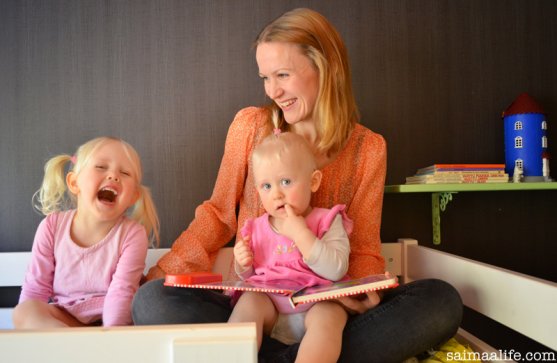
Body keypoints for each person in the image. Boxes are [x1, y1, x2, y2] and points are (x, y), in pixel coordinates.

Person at [132, 8, 462, 363]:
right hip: (259, 307)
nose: (273, 90)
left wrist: (365, 291)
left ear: (325, 67)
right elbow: (218, 215)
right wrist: (159, 275)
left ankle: (269, 354)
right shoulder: (250, 127)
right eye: (265, 78)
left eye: (283, 75)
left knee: (440, 302)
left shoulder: (368, 148)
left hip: (326, 310)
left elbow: (364, 245)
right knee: (151, 301)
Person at [229, 130, 354, 362]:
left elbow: (336, 269)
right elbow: (251, 275)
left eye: (286, 182)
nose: (276, 194)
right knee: (249, 301)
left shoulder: (327, 220)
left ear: (313, 181)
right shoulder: (255, 227)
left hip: (317, 302)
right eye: (266, 186)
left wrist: (301, 234)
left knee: (330, 315)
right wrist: (242, 263)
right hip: (271, 308)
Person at [13, 136, 160, 329]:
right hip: (64, 320)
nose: (114, 176)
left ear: (133, 197)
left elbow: (122, 292)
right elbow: (35, 290)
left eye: (124, 172)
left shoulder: (132, 234)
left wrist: (111, 337)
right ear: (74, 183)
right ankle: (71, 349)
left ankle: (84, 351)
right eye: (100, 167)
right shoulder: (51, 227)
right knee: (23, 311)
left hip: (107, 322)